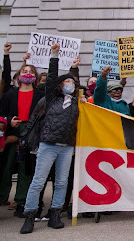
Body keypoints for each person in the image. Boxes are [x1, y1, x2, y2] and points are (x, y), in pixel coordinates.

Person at [20, 43, 87, 234]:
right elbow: (50, 78)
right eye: (66, 82)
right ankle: (29, 216)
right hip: (48, 145)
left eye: (72, 83)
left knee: (62, 182)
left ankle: (55, 214)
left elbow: (79, 84)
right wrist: (54, 55)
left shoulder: (76, 102)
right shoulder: (50, 99)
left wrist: (83, 99)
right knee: (38, 181)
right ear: (60, 86)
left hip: (66, 146)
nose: (70, 85)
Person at [0, 43, 44, 217]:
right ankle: (2, 196)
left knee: (25, 170)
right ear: (19, 76)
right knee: (6, 167)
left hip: (31, 133)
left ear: (35, 76)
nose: (28, 73)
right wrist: (10, 121)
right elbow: (2, 113)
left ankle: (21, 202)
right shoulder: (11, 94)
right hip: (12, 133)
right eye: (25, 71)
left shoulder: (39, 95)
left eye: (31, 72)